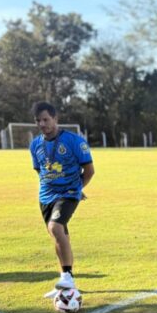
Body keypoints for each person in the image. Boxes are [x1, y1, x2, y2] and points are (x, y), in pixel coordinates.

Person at [29, 102, 94, 291]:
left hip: (68, 193)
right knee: (58, 234)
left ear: (55, 118)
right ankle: (66, 282)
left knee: (55, 227)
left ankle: (67, 276)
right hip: (46, 196)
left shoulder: (74, 141)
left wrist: (77, 188)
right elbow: (40, 170)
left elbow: (89, 170)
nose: (42, 124)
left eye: (46, 119)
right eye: (38, 120)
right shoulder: (35, 145)